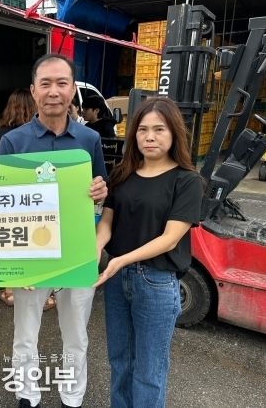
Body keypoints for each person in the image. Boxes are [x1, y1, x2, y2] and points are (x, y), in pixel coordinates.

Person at [0, 53, 108, 408]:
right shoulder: (13, 142)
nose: (53, 91)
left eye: (62, 83)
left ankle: (71, 399)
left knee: (76, 336)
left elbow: (101, 190)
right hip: (30, 254)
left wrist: (101, 190)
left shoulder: (89, 139)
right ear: (33, 91)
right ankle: (26, 397)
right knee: (25, 334)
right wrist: (11, 268)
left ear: (73, 89)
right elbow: (1, 205)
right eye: (45, 84)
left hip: (77, 251)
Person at [95, 97, 204, 408]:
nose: (150, 137)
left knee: (149, 370)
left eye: (159, 129)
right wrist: (95, 250)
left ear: (174, 133)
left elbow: (170, 239)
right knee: (120, 361)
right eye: (142, 130)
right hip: (117, 281)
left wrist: (120, 260)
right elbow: (107, 223)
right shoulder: (122, 173)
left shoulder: (187, 181)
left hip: (156, 281)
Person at [0, 88, 56, 311]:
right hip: (37, 201)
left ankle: (9, 289)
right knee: (39, 242)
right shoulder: (39, 138)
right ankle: (45, 293)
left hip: (4, 201)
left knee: (9, 242)